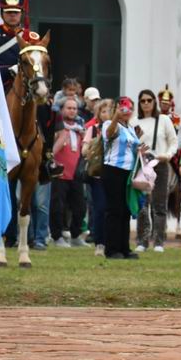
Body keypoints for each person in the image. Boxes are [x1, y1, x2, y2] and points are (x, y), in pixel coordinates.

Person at [102, 97, 148, 259]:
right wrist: (115, 117)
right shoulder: (109, 124)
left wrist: (140, 151)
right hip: (113, 169)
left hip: (128, 172)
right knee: (114, 210)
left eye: (129, 108)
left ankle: (124, 247)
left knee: (126, 210)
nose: (126, 111)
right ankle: (112, 249)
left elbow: (132, 149)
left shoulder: (130, 128)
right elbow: (109, 135)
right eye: (122, 108)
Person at [133, 89, 177, 253]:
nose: (146, 103)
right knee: (142, 205)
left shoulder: (164, 120)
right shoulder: (134, 120)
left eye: (149, 100)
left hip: (160, 163)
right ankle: (142, 241)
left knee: (159, 204)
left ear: (154, 102)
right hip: (141, 164)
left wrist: (168, 155)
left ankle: (158, 241)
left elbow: (173, 142)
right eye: (142, 101)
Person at [50, 97, 88, 248]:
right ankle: (57, 236)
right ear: (62, 109)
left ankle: (76, 235)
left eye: (74, 108)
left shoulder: (80, 129)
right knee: (57, 207)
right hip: (59, 172)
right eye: (69, 108)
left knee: (80, 206)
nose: (72, 111)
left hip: (75, 174)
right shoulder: (57, 128)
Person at [82, 98, 113, 257]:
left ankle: (112, 242)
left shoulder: (119, 129)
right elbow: (84, 150)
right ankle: (100, 243)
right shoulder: (93, 129)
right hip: (98, 175)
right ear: (99, 114)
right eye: (103, 111)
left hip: (114, 175)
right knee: (100, 208)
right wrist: (95, 144)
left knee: (113, 209)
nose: (107, 114)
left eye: (109, 111)